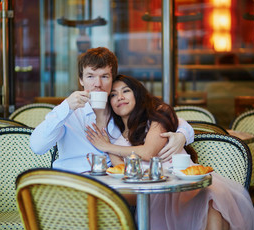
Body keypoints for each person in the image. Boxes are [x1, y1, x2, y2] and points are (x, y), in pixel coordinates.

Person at [86, 74, 254, 230]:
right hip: (155, 196)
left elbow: (148, 152)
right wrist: (108, 146)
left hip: (185, 186)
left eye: (126, 91)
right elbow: (121, 170)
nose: (120, 97)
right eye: (113, 95)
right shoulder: (115, 139)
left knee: (214, 205)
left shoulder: (155, 118)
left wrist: (107, 146)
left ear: (137, 94)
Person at [30, 47, 193, 173]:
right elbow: (37, 147)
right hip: (73, 183)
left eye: (104, 76)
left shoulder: (121, 110)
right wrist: (66, 107)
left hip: (113, 189)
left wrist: (182, 135)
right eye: (90, 76)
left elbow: (164, 118)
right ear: (81, 80)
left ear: (112, 79)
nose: (97, 84)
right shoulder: (68, 113)